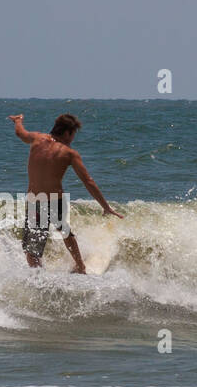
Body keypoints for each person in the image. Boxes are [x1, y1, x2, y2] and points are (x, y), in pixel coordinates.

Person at [7, 113, 123, 272]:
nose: (73, 138)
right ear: (68, 132)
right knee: (65, 232)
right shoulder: (69, 153)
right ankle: (80, 266)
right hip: (56, 200)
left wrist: (18, 120)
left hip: (36, 201)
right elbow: (88, 181)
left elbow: (20, 133)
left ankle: (38, 278)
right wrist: (106, 206)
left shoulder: (36, 139)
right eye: (73, 134)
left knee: (32, 250)